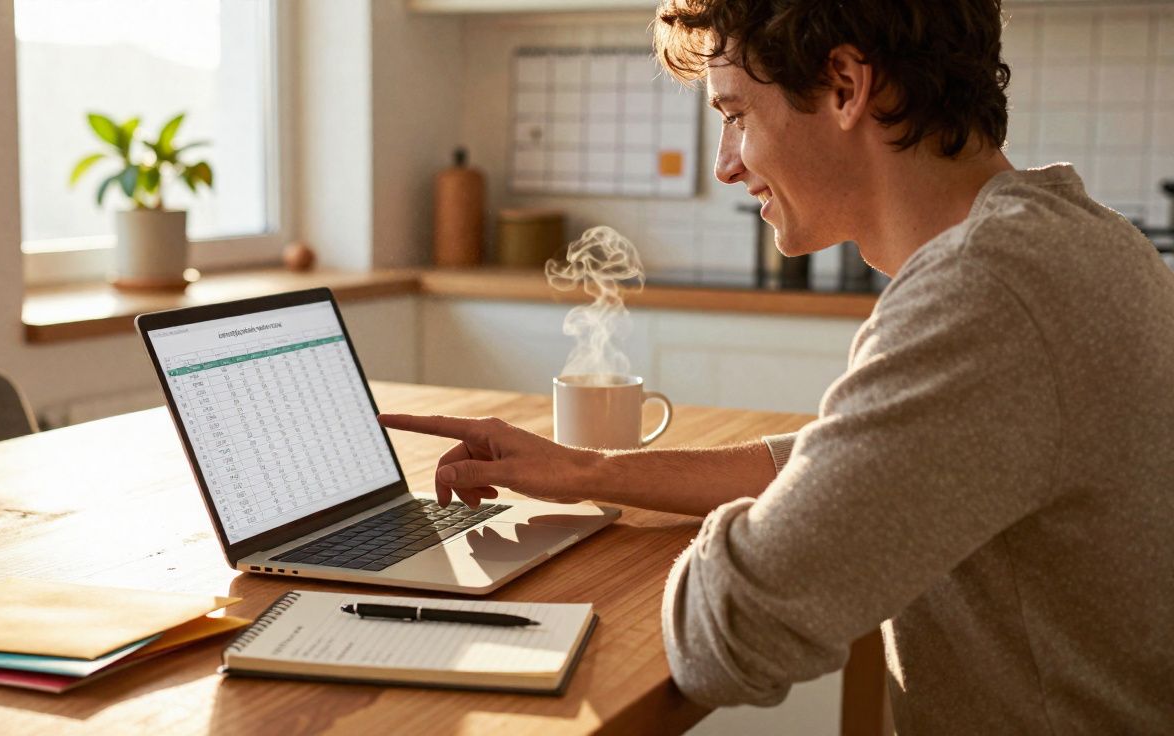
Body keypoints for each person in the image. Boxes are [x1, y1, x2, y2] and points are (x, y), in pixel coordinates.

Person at [380, 0, 1174, 732]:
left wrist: (771, 540)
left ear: (845, 86)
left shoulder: (985, 292)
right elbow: (871, 464)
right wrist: (592, 470)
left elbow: (726, 635)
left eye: (735, 116)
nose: (726, 164)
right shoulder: (1079, 238)